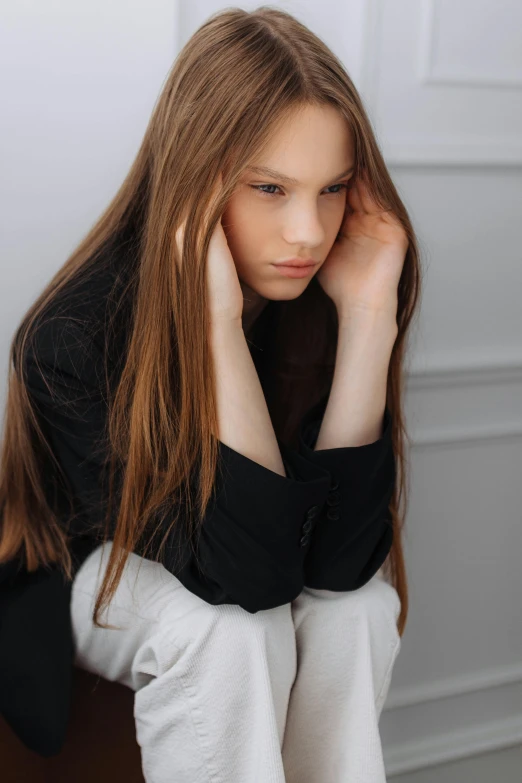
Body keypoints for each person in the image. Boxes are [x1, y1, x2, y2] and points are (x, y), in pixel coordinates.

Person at [0, 6, 421, 782]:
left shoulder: (325, 300)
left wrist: (367, 321)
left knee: (357, 610)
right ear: (195, 179)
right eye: (269, 187)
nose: (308, 231)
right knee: (224, 630)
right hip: (87, 565)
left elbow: (340, 565)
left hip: (239, 554)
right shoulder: (71, 336)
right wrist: (215, 325)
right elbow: (246, 578)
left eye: (332, 190)